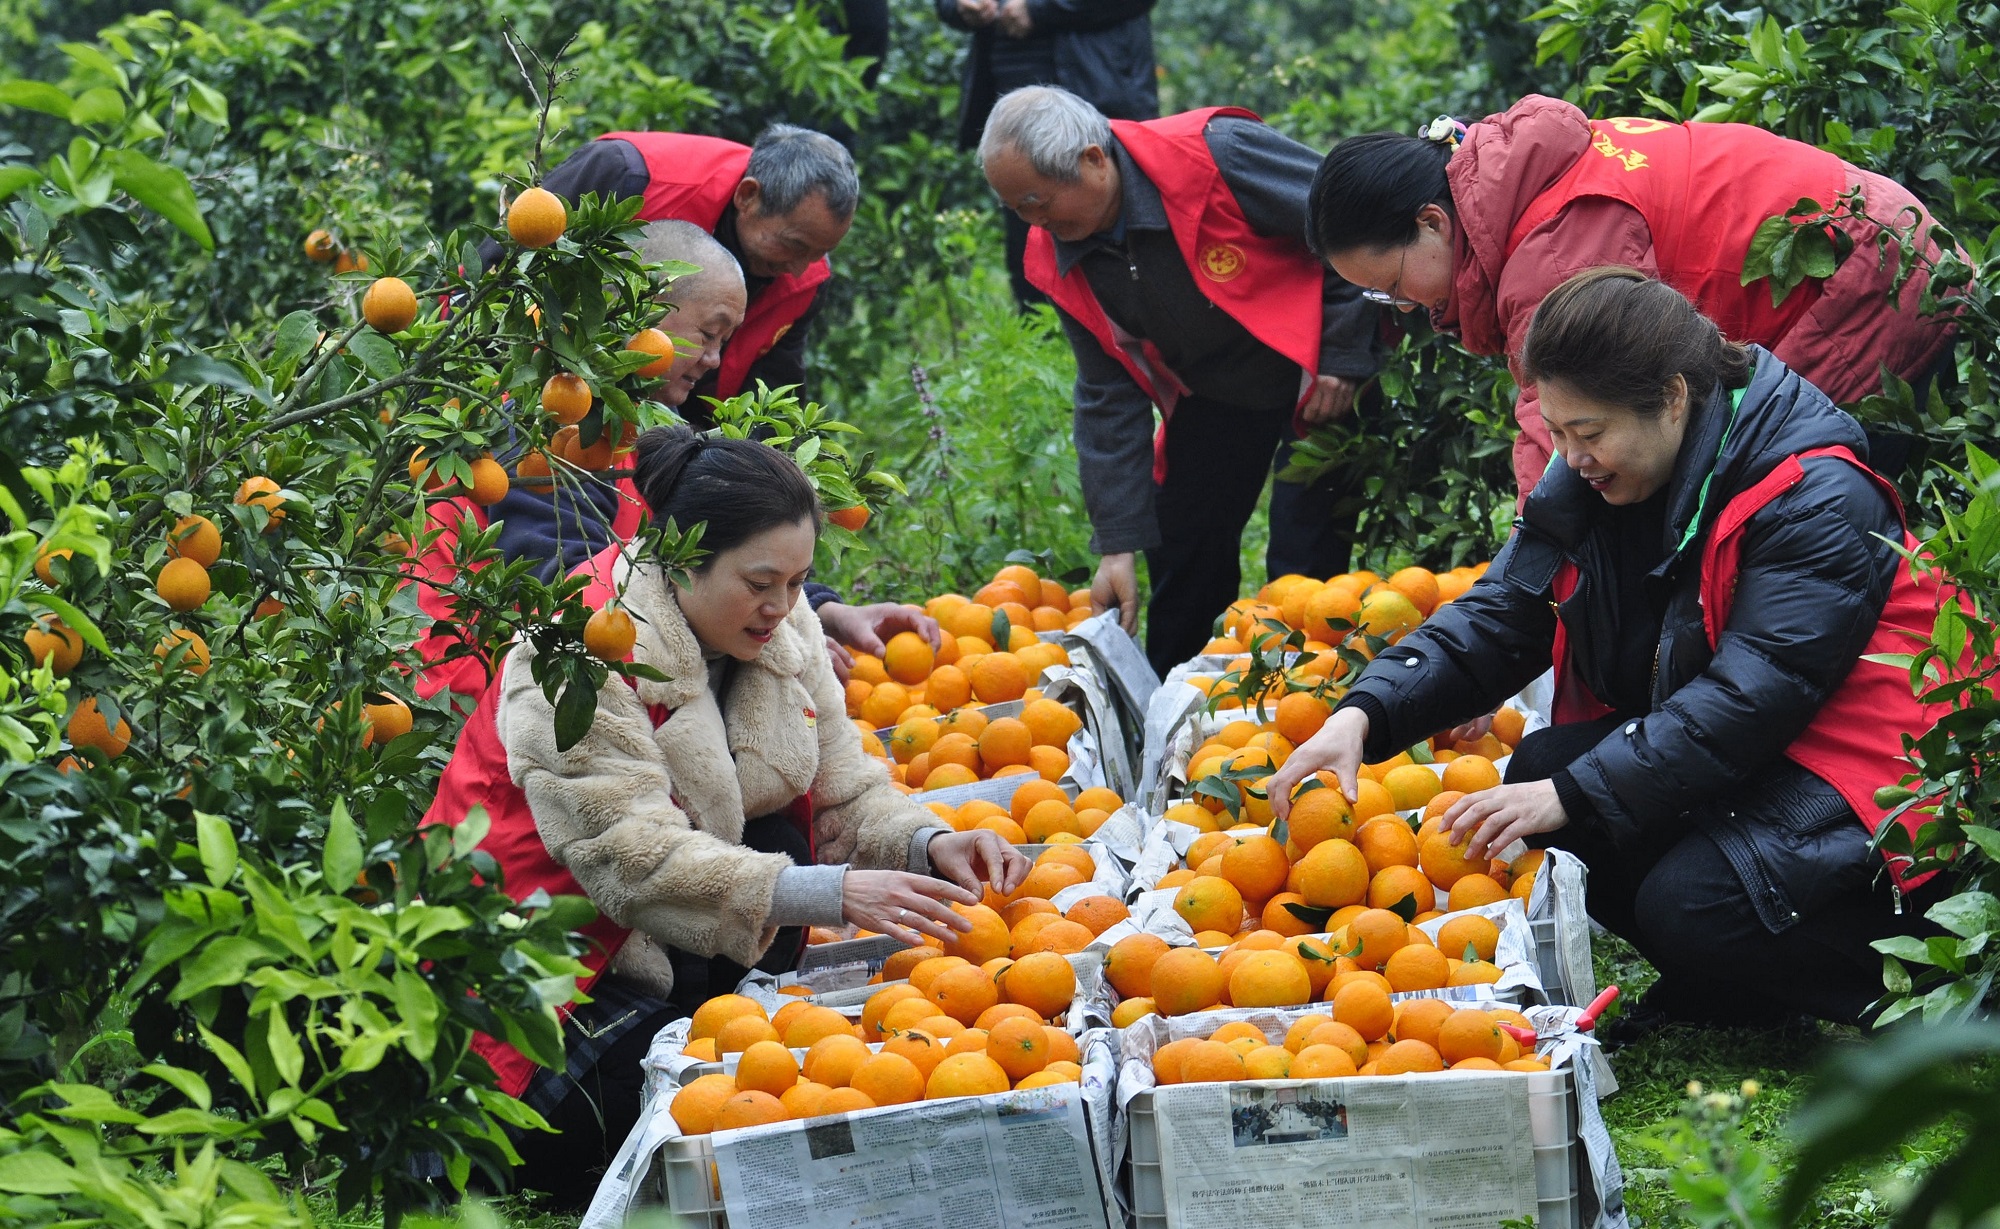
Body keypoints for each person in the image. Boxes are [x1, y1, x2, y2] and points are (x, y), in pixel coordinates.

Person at [1268, 269, 1973, 1034]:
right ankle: (1738, 980)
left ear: (1673, 397)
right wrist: (1363, 715)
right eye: (1560, 432)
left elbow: (1752, 695)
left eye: (1589, 433)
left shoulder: (1815, 494)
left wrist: (1578, 793)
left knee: (1685, 897)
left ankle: (1939, 989)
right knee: (1542, 778)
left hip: (1892, 772)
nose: (1571, 457)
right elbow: (1507, 610)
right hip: (1780, 738)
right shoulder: (1607, 475)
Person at [425, 427, 1031, 1205]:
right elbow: (628, 855)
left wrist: (931, 841)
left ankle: (703, 1030)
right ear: (679, 562)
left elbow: (844, 785)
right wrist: (832, 891)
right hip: (551, 972)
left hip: (663, 939)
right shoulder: (575, 652)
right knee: (674, 1121)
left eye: (799, 581)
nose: (783, 607)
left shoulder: (780, 628)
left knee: (781, 844)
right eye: (761, 582)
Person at [1306, 96, 1959, 501]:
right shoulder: (1525, 183)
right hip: (1881, 237)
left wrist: (1522, 589)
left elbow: (1560, 428)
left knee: (1784, 517)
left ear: (1433, 223)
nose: (1408, 306)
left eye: (1394, 286)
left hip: (1870, 276)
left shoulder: (1551, 249)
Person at [415, 222, 934, 702]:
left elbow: (719, 544)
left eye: (724, 342)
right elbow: (576, 597)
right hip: (474, 697)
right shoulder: (549, 425)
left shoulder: (643, 424)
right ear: (644, 311)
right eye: (709, 334)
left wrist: (822, 610)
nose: (714, 360)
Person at [980, 85, 1382, 675]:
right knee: (1184, 552)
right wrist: (1117, 543)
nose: (1031, 223)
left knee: (1304, 564)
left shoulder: (1216, 156)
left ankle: (1313, 701)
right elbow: (1107, 393)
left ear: (1094, 160)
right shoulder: (1058, 253)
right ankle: (1178, 716)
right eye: (1016, 209)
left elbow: (1352, 217)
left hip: (1315, 371)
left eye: (1038, 202)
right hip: (1214, 392)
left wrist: (1344, 355)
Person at [488, 123, 858, 414]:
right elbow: (496, 276)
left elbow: (768, 397)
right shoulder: (628, 175)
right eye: (794, 245)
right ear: (748, 196)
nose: (799, 269)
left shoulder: (806, 281)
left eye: (820, 253)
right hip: (536, 396)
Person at [937, 0, 1157, 304]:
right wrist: (961, 7)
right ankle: (1044, 337)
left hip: (1096, 83)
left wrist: (1038, 9)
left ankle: (1139, 332)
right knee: (1029, 232)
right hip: (1009, 84)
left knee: (1113, 226)